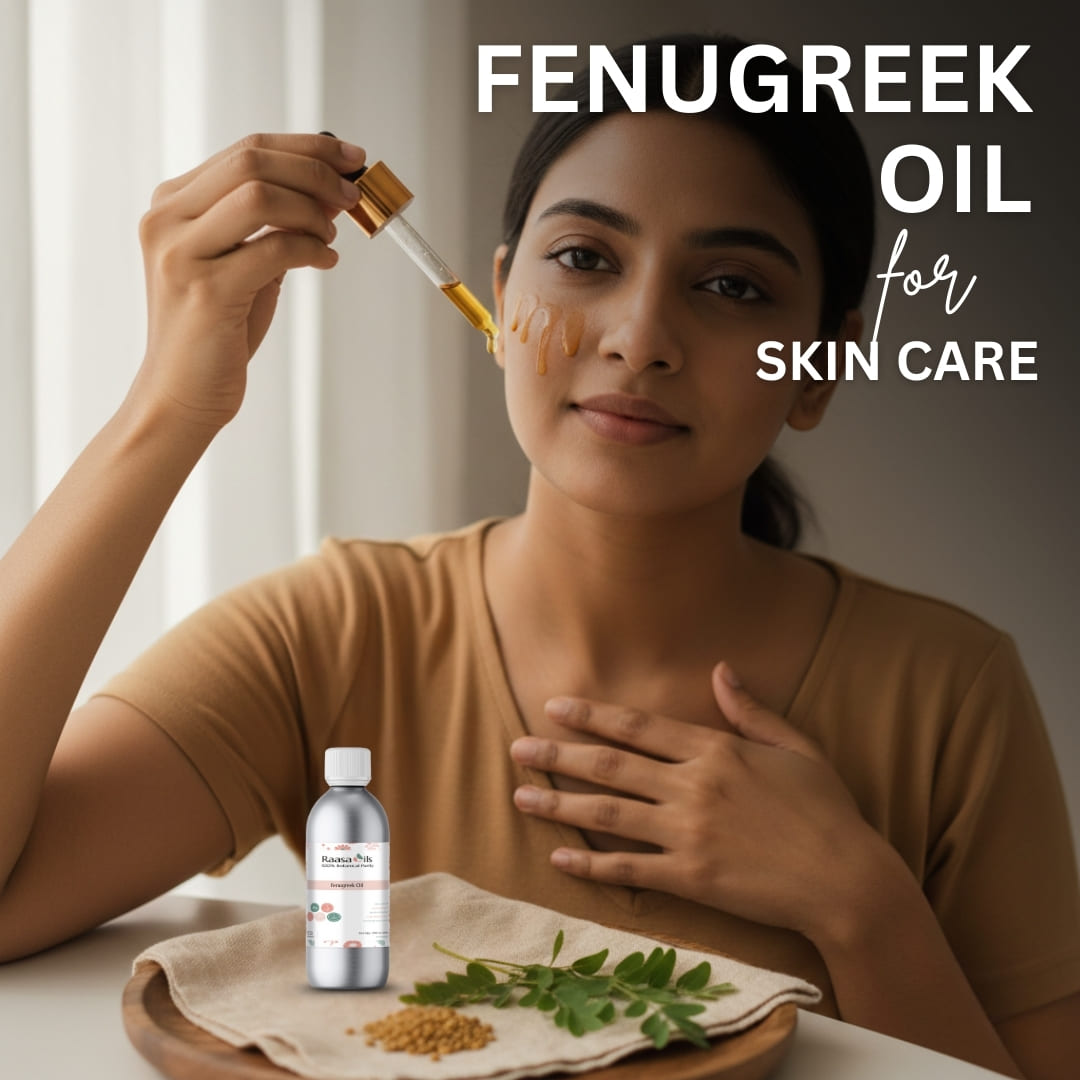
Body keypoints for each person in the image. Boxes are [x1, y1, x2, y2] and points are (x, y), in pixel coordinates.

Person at [0, 34, 1075, 1078]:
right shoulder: (336, 632)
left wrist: (857, 901)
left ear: (818, 367)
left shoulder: (951, 690)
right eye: (585, 259)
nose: (639, 335)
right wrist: (170, 405)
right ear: (503, 301)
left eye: (734, 286)